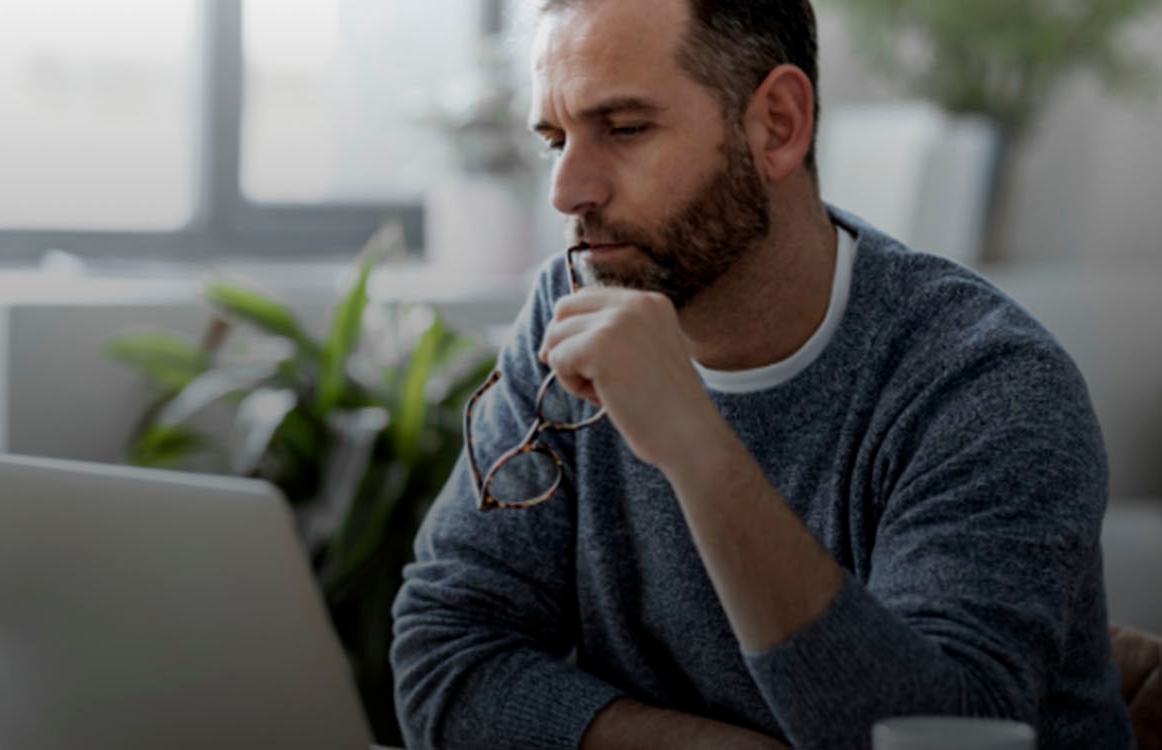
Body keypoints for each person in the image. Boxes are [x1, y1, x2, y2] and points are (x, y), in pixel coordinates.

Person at [390, 0, 1135, 747]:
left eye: (624, 130)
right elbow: (445, 656)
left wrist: (695, 448)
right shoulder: (576, 303)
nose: (567, 190)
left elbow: (937, 734)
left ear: (777, 124)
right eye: (556, 139)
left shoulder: (984, 383)